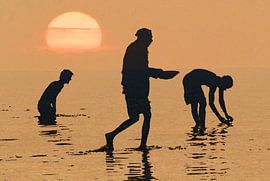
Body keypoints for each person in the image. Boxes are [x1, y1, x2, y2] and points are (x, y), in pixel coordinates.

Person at [105, 28, 179, 151]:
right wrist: (160, 73)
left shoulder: (139, 48)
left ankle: (112, 135)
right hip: (135, 89)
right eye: (149, 37)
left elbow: (141, 69)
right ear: (142, 38)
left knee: (136, 117)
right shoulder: (137, 49)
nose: (151, 40)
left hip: (136, 89)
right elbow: (139, 70)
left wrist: (157, 73)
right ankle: (141, 145)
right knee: (144, 116)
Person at [183, 69, 233, 133]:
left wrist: (226, 115)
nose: (225, 89)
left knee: (200, 102)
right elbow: (211, 103)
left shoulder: (219, 82)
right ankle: (201, 125)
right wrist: (220, 118)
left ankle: (199, 125)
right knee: (199, 103)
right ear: (224, 83)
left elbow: (221, 100)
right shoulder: (214, 82)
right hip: (190, 80)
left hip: (190, 79)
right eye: (226, 87)